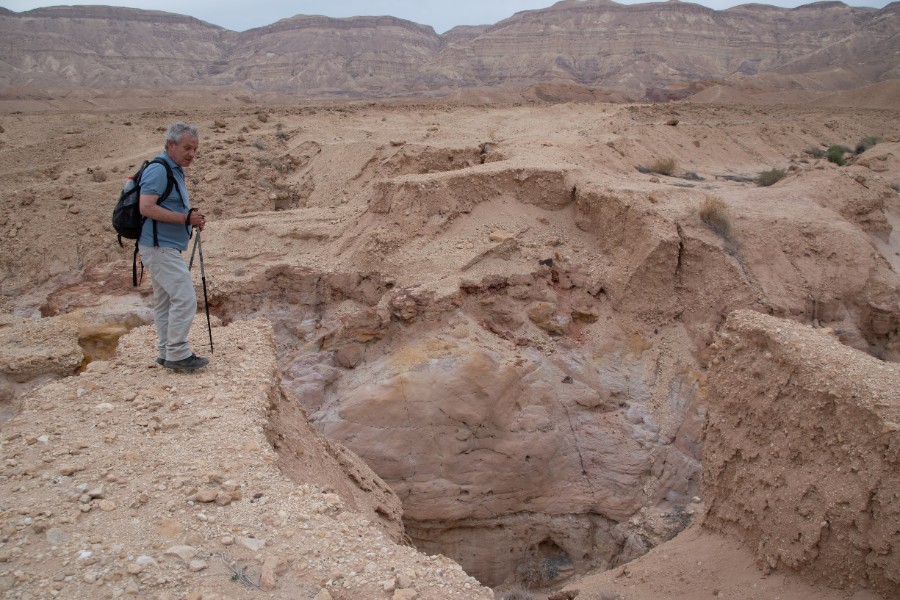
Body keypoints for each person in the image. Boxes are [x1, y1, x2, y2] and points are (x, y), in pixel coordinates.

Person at [138, 121, 209, 371]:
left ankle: (165, 351)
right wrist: (184, 219)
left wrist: (190, 215)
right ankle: (178, 353)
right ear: (171, 144)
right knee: (185, 297)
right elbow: (145, 207)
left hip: (163, 246)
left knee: (166, 300)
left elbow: (166, 204)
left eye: (195, 149)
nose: (191, 154)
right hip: (159, 247)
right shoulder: (160, 170)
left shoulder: (174, 169)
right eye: (187, 148)